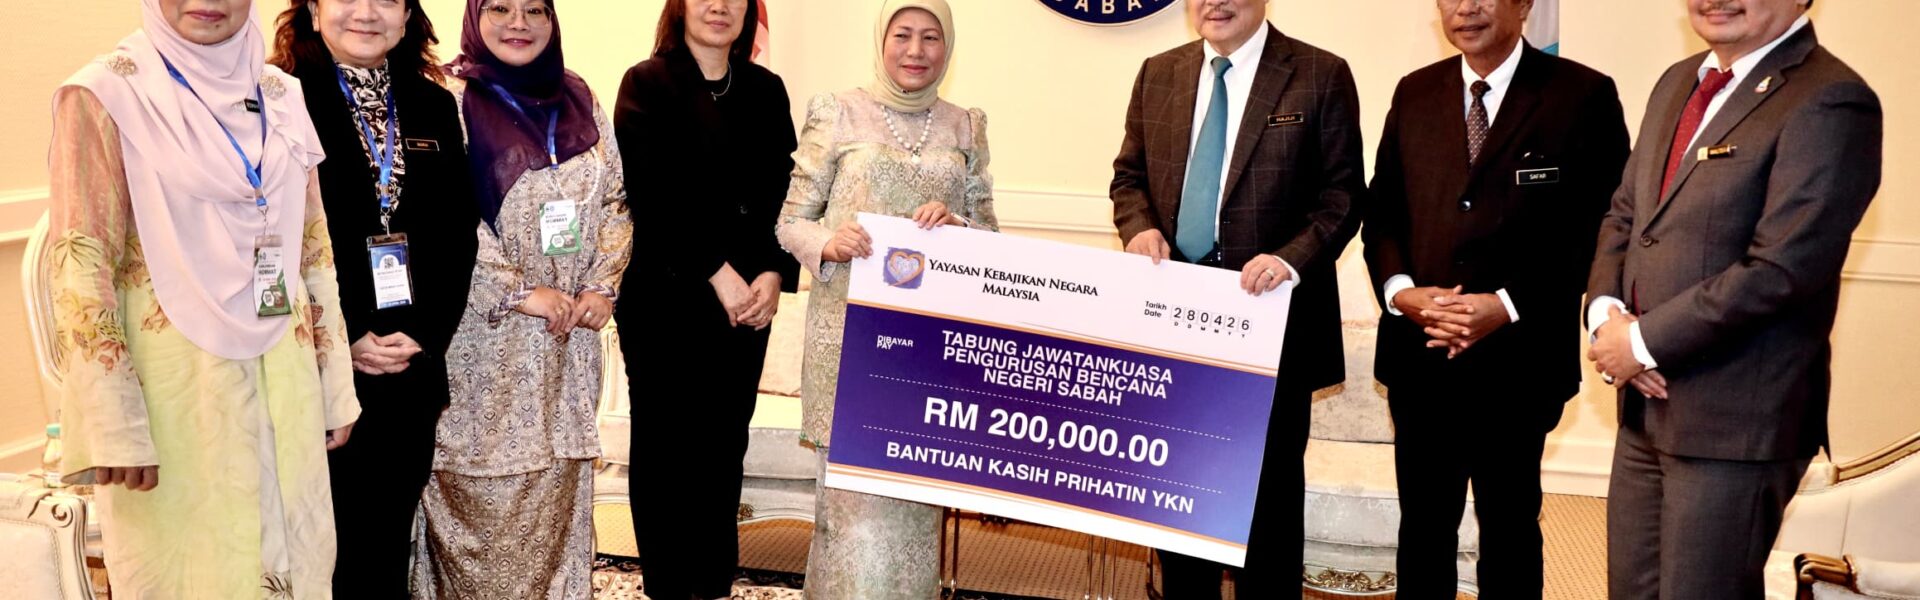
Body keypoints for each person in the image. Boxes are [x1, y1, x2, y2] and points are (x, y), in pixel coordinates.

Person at [45, 0, 357, 596]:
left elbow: (313, 245)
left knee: (295, 557)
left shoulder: (281, 94)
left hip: (284, 371)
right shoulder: (104, 95)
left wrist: (333, 383)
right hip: (173, 397)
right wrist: (113, 426)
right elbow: (81, 264)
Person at [1586, 0, 1880, 597]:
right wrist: (1606, 315)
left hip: (1735, 422)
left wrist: (1642, 343)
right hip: (1644, 410)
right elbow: (1626, 214)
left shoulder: (1831, 98)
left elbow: (1781, 268)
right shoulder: (1679, 81)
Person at [1361, 0, 1629, 596]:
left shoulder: (1582, 95)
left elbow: (1604, 228)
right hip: (1421, 354)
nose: (1466, 8)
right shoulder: (1415, 92)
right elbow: (1382, 215)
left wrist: (1505, 305)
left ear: (1524, 4)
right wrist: (1403, 293)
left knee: (1509, 528)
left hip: (1519, 360)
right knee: (1423, 529)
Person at [1108, 0, 1364, 596]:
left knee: (1266, 508)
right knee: (1178, 500)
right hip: (1174, 326)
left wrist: (1289, 260)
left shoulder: (1319, 73)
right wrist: (1138, 228)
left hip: (1273, 324)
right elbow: (1128, 178)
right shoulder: (1158, 72)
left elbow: (1343, 195)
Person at [774, 0, 996, 596]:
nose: (916, 51)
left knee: (913, 511)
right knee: (852, 519)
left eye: (931, 37)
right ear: (882, 40)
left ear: (948, 46)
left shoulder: (965, 125)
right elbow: (790, 221)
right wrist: (830, 242)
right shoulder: (837, 112)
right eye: (903, 35)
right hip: (848, 346)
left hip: (927, 356)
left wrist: (958, 227)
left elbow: (990, 235)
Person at [412, 0, 632, 597]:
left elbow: (616, 199)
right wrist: (518, 290)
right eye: (501, 8)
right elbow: (442, 219)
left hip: (569, 343)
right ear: (474, 16)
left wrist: (602, 284)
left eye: (535, 9)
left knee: (557, 495)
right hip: (486, 346)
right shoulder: (449, 99)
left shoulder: (581, 97)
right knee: (483, 497)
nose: (519, 23)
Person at [269, 0, 479, 596]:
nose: (366, 12)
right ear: (313, 13)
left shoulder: (432, 103)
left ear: (407, 16)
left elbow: (456, 234)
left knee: (386, 538)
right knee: (319, 544)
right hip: (316, 360)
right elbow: (269, 235)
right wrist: (347, 334)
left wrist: (424, 333)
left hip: (411, 360)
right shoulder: (278, 100)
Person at [613, 0, 797, 598]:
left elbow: (787, 193)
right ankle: (669, 587)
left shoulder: (766, 89)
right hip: (666, 300)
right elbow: (650, 193)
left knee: (723, 447)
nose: (719, 5)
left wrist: (773, 272)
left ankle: (714, 584)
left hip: (748, 305)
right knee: (666, 449)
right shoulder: (646, 83)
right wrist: (717, 272)